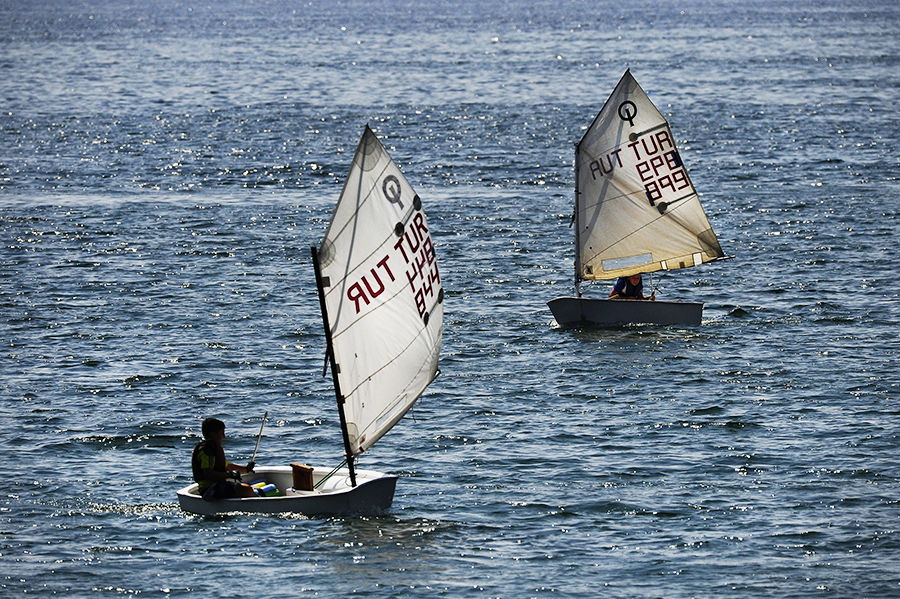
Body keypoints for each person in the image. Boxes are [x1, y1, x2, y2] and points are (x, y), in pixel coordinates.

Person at [191, 417, 257, 500]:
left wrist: (246, 469)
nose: (224, 436)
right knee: (247, 490)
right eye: (222, 433)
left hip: (218, 486)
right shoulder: (207, 450)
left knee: (247, 487)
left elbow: (228, 466)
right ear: (213, 434)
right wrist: (230, 475)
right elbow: (208, 473)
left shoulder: (214, 448)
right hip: (209, 490)